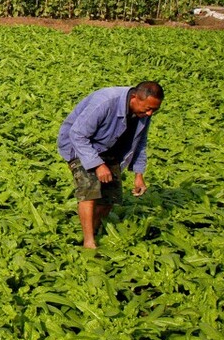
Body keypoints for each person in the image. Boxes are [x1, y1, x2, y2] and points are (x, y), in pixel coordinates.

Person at [57, 81, 164, 249]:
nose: (150, 113)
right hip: (79, 146)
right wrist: (98, 165)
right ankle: (89, 243)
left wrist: (139, 174)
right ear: (135, 97)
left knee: (109, 199)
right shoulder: (105, 102)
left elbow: (140, 142)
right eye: (148, 109)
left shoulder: (144, 113)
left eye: (154, 110)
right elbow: (77, 134)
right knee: (89, 190)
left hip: (110, 149)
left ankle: (91, 229)